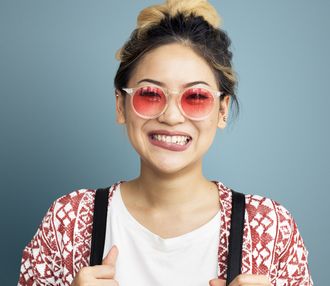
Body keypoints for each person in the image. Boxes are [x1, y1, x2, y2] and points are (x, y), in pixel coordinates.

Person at [18, 0, 313, 285]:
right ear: (120, 105)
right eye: (150, 94)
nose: (172, 116)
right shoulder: (68, 222)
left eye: (196, 97)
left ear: (222, 111)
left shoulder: (271, 228)